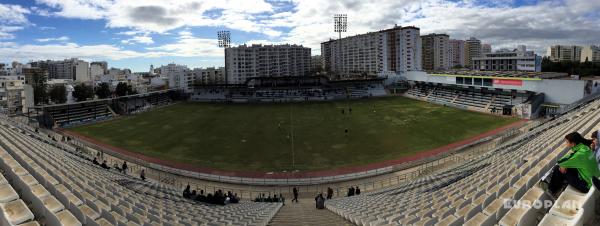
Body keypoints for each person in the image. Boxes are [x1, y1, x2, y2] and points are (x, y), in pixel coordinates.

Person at [539, 132, 600, 198]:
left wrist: (563, 165)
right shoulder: (585, 148)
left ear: (573, 144)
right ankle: (557, 185)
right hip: (594, 180)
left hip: (587, 185)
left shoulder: (579, 155)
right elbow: (571, 157)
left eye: (567, 142)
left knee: (558, 168)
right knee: (567, 167)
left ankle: (552, 190)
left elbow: (560, 162)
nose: (566, 144)